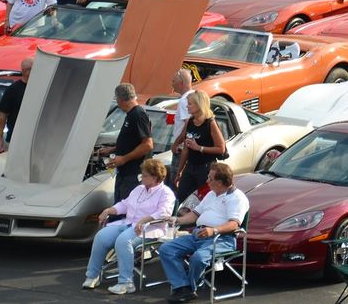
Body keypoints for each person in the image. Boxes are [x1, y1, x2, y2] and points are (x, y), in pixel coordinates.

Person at [159, 162, 249, 304]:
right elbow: (195, 214)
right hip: (198, 234)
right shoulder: (211, 194)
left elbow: (234, 224)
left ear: (219, 182)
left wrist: (213, 230)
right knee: (166, 249)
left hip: (221, 239)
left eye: (210, 179)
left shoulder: (237, 198)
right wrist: (177, 220)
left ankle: (188, 288)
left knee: (198, 258)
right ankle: (183, 287)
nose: (207, 181)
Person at [83, 158, 176, 294]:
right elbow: (125, 204)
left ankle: (126, 282)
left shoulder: (166, 193)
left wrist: (145, 220)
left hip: (150, 229)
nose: (141, 178)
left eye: (144, 175)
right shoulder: (139, 189)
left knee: (123, 241)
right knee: (101, 236)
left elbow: (164, 213)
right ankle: (92, 275)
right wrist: (108, 210)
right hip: (128, 224)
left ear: (155, 177)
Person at [102, 83, 154, 203]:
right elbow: (132, 141)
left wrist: (124, 158)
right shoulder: (131, 114)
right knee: (119, 206)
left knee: (126, 207)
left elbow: (147, 144)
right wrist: (113, 149)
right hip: (124, 172)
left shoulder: (138, 114)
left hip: (133, 173)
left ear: (120, 99)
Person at [173, 90, 226, 203]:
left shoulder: (210, 123)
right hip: (190, 166)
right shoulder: (190, 122)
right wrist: (180, 170)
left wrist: (199, 148)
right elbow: (186, 149)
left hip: (206, 168)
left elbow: (221, 148)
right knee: (181, 197)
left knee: (203, 200)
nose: (187, 106)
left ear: (199, 105)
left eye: (190, 104)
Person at [0, 55, 31, 154]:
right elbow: (2, 116)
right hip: (14, 140)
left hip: (34, 140)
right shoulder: (13, 90)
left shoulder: (40, 88)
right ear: (25, 71)